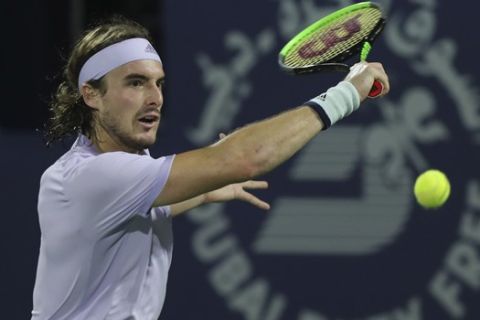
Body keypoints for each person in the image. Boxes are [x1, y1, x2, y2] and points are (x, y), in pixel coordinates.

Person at [31, 16, 390, 320]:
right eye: (135, 82)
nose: (155, 97)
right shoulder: (91, 178)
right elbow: (246, 158)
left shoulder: (121, 175)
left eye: (159, 83)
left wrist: (205, 187)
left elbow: (147, 209)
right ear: (91, 94)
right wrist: (348, 93)